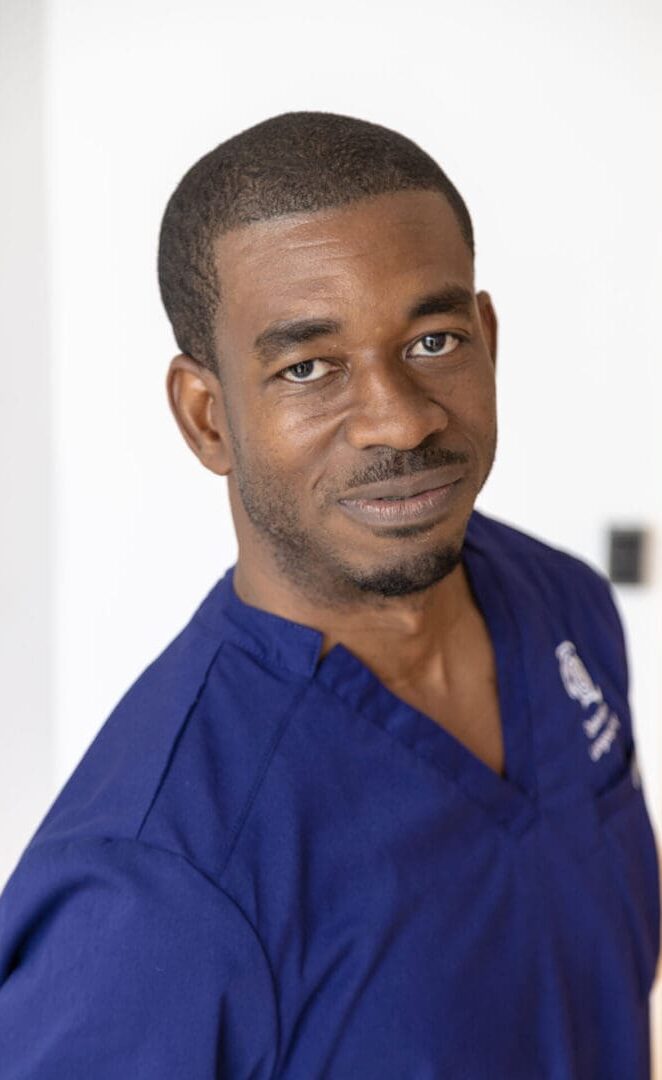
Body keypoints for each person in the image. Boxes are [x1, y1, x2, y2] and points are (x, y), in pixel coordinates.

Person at [0, 111, 659, 1079]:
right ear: (207, 417)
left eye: (431, 340)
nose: (397, 418)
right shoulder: (155, 889)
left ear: (485, 337)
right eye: (306, 368)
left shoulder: (558, 606)